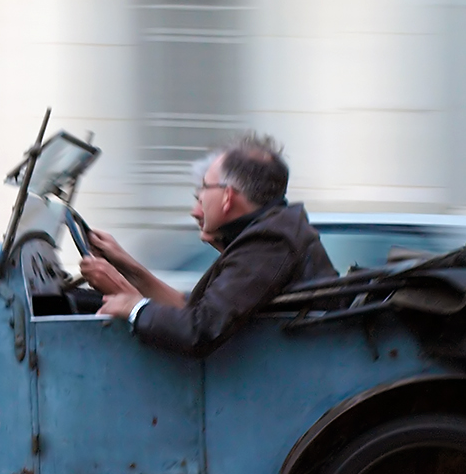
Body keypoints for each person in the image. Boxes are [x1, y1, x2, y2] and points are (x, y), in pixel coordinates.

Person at [80, 132, 337, 357]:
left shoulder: (269, 242)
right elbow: (194, 307)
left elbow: (199, 330)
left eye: (204, 188)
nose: (198, 203)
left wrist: (134, 308)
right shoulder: (272, 232)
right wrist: (127, 265)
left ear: (227, 197)